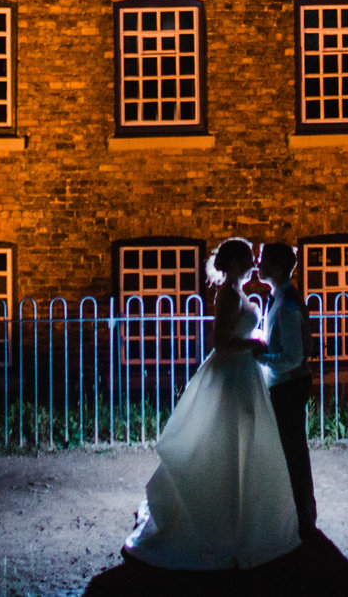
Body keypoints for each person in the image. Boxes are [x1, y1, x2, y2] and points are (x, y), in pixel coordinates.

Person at [123, 238, 301, 569]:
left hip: (245, 375)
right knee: (224, 445)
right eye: (249, 260)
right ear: (233, 264)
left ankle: (241, 517)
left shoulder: (239, 294)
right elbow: (220, 342)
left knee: (242, 446)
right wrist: (253, 344)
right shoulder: (228, 295)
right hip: (232, 376)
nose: (254, 265)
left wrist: (254, 345)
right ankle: (220, 523)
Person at [255, 241, 318, 533]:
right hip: (285, 386)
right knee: (290, 452)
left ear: (278, 268)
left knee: (293, 454)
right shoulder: (279, 298)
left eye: (263, 261)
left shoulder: (286, 305)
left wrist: (261, 357)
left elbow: (293, 357)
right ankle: (299, 516)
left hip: (289, 387)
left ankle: (303, 520)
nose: (258, 264)